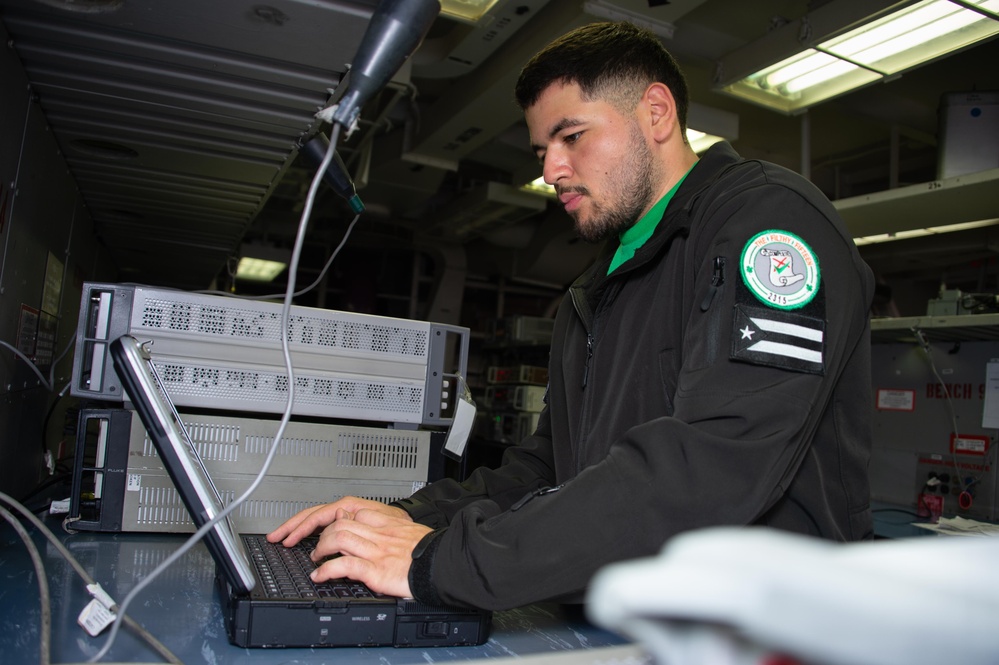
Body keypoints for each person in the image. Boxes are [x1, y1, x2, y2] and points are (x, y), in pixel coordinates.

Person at [268, 21, 875, 611]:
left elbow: (711, 468)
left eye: (572, 137)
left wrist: (443, 563)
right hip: (635, 616)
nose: (551, 170)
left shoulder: (767, 224)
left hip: (763, 627)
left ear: (656, 113)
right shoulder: (596, 287)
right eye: (541, 150)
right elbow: (549, 467)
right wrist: (410, 519)